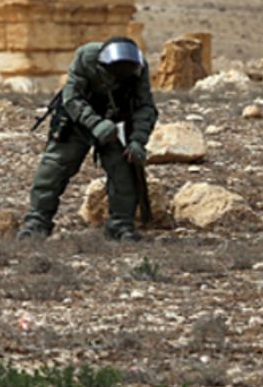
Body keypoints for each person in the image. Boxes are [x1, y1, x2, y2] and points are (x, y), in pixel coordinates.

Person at [19, 36, 159, 241]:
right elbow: (72, 97)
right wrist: (94, 123)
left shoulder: (139, 67)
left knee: (124, 171)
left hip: (115, 123)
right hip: (77, 121)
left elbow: (145, 107)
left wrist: (138, 140)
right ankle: (36, 222)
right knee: (53, 168)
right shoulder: (86, 57)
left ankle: (120, 225)